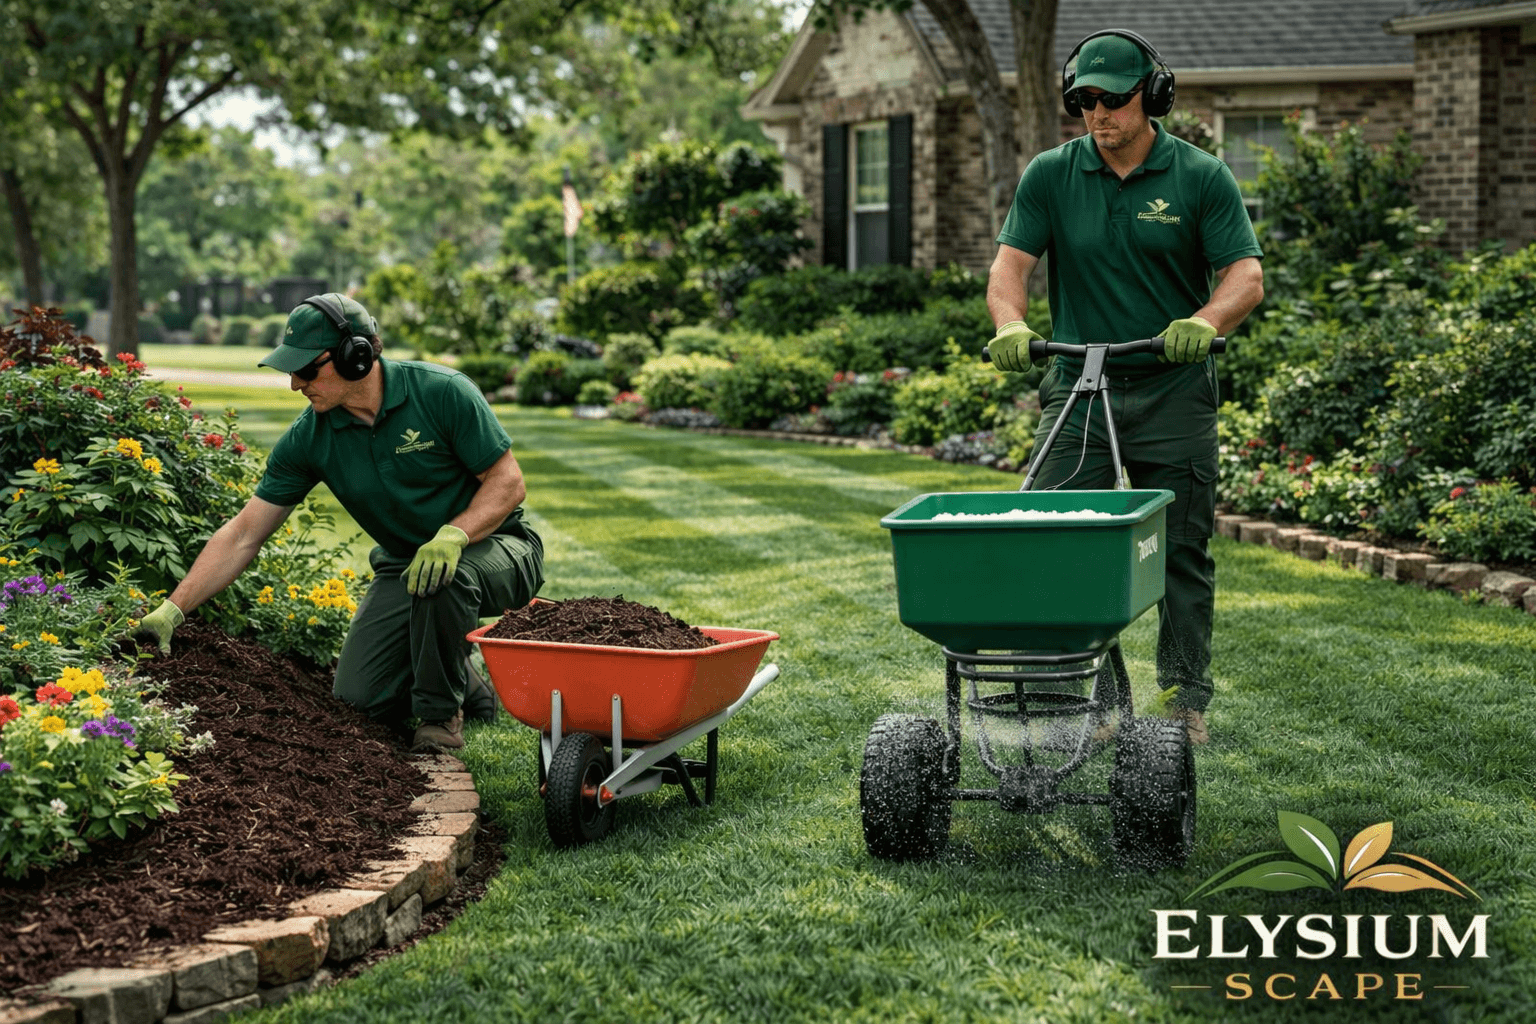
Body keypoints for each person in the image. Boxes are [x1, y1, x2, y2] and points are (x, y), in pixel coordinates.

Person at [985, 29, 1264, 745]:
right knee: (1052, 538)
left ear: (1154, 96)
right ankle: (1076, 702)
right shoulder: (1051, 174)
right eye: (1084, 100)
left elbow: (1246, 275)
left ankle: (1182, 700)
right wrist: (1011, 324)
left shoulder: (1200, 176)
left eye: (1113, 98)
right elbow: (1009, 268)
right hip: (1078, 385)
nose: (1098, 112)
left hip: (1173, 390)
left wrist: (1205, 318)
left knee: (1181, 549)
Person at [135, 294, 544, 753]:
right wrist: (173, 609)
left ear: (358, 356)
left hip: (499, 547)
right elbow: (244, 534)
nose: (295, 384)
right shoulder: (310, 437)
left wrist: (454, 534)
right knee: (357, 701)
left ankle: (439, 716)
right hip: (406, 567)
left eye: (307, 370)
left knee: (445, 579)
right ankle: (464, 678)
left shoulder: (442, 392)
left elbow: (507, 482)